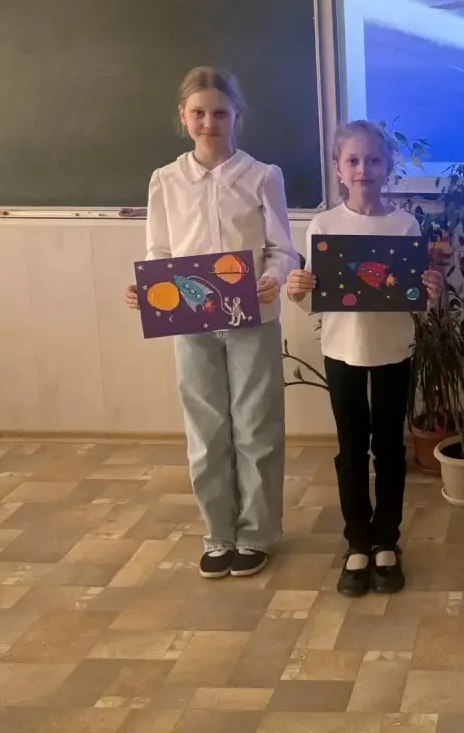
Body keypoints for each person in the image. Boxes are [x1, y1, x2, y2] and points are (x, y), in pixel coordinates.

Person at [126, 66, 298, 579]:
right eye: (198, 113)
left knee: (256, 427)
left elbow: (282, 249)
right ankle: (218, 533)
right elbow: (160, 252)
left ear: (237, 116)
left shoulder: (262, 176)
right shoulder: (166, 180)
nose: (209, 123)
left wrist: (272, 277)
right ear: (183, 116)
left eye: (219, 113)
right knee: (205, 431)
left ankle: (257, 533)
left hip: (253, 317)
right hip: (190, 321)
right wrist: (147, 291)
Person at [286, 120, 443, 597]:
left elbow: (414, 298)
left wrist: (431, 292)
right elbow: (314, 298)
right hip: (341, 350)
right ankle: (357, 540)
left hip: (394, 349)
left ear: (388, 166)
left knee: (390, 449)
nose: (363, 169)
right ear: (338, 168)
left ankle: (387, 540)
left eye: (373, 159)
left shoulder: (405, 225)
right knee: (351, 449)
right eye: (353, 160)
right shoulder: (323, 225)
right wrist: (297, 290)